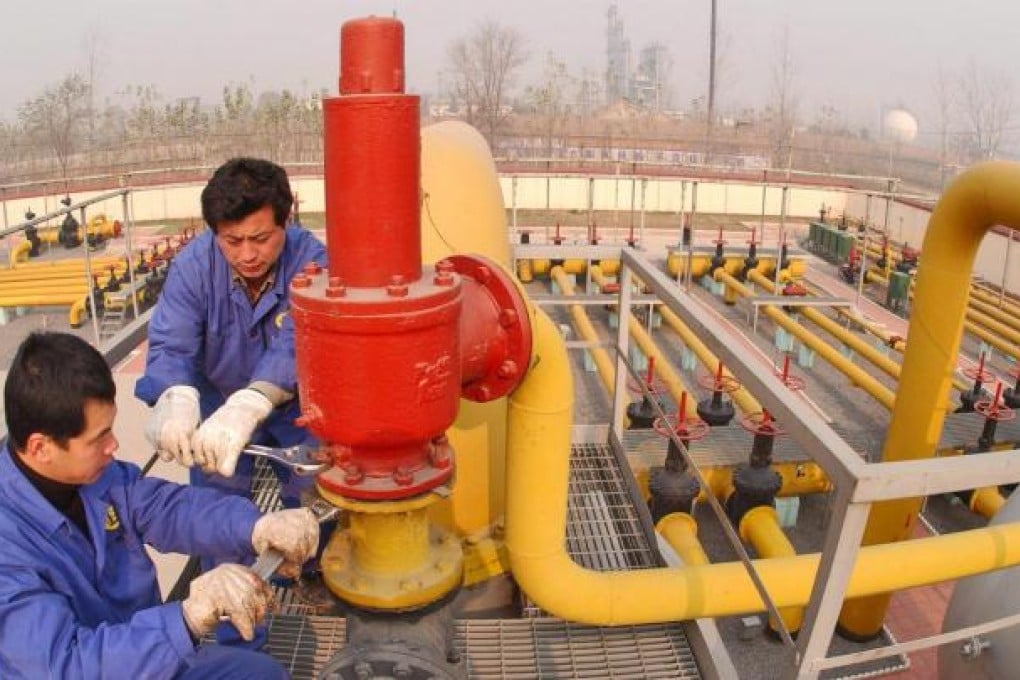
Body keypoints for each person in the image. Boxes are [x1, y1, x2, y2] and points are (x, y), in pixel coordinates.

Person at [0, 331, 320, 679]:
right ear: (40, 448)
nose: (114, 445)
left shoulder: (95, 477)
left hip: (145, 657)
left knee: (260, 675)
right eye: (98, 438)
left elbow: (168, 508)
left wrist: (255, 527)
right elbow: (66, 666)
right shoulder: (8, 547)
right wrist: (188, 618)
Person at [135, 157, 327, 527]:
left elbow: (301, 338)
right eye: (232, 241)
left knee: (313, 506)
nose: (247, 255)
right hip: (217, 407)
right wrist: (175, 396)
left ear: (286, 220)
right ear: (214, 232)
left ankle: (311, 558)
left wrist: (255, 400)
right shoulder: (193, 267)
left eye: (261, 239)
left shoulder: (313, 263)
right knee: (216, 512)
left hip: (297, 409)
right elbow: (171, 342)